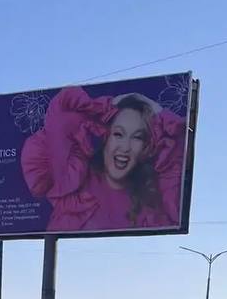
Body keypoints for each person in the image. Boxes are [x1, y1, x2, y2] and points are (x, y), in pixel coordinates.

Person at [20, 86, 186, 233]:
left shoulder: (153, 206)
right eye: (118, 134)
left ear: (147, 148)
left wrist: (156, 110)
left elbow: (180, 136)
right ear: (104, 135)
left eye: (137, 138)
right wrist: (104, 107)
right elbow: (60, 113)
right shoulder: (75, 185)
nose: (125, 147)